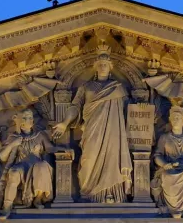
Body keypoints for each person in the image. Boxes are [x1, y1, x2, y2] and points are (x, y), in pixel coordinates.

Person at [51, 46, 132, 203]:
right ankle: (88, 193)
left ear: (110, 67)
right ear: (95, 67)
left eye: (106, 64)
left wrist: (144, 111)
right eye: (100, 64)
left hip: (114, 131)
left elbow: (128, 110)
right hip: (92, 129)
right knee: (89, 159)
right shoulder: (86, 87)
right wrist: (64, 123)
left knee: (112, 159)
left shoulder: (118, 87)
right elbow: (75, 106)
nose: (103, 66)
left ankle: (111, 193)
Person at [0, 110, 55, 219]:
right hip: (21, 165)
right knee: (13, 173)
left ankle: (38, 198)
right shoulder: (13, 137)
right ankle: (7, 206)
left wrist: (65, 149)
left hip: (35, 164)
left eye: (29, 118)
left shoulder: (40, 135)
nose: (26, 120)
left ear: (33, 122)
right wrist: (13, 145)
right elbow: (2, 157)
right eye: (24, 118)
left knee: (42, 166)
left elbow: (51, 148)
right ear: (19, 121)